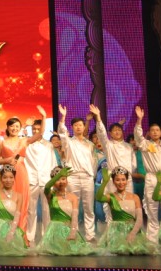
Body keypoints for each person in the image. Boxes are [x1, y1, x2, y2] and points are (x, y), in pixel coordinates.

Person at [0, 105, 47, 236]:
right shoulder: (2, 142)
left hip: (21, 174)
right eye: (12, 126)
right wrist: (7, 160)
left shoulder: (24, 140)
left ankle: (21, 234)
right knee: (7, 201)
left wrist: (44, 116)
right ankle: (5, 233)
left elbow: (40, 133)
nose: (14, 128)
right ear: (7, 127)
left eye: (17, 126)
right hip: (6, 174)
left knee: (22, 204)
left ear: (20, 128)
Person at [134, 105, 161, 242]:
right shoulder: (146, 145)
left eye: (157, 130)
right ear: (149, 133)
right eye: (152, 130)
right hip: (151, 178)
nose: (155, 132)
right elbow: (138, 137)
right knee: (152, 209)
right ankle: (152, 240)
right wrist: (139, 120)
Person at [57, 104, 96, 242]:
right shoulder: (68, 142)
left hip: (87, 177)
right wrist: (63, 117)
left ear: (84, 127)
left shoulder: (90, 144)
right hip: (73, 177)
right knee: (73, 207)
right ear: (72, 128)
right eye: (76, 125)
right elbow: (62, 133)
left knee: (89, 208)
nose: (79, 127)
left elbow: (93, 162)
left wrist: (92, 175)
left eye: (81, 125)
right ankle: (74, 234)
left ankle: (90, 235)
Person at [94, 166, 155, 255]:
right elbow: (98, 198)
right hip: (116, 232)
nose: (121, 182)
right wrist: (104, 183)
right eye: (117, 180)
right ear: (113, 181)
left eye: (123, 179)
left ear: (127, 181)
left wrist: (133, 233)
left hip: (133, 229)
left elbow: (139, 219)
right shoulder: (111, 196)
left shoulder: (135, 197)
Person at [37, 166, 96, 256]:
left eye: (63, 179)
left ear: (67, 181)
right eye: (58, 180)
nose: (61, 182)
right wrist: (59, 175)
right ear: (53, 182)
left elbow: (74, 216)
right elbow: (47, 186)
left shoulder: (73, 197)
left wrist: (73, 232)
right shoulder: (51, 195)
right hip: (54, 233)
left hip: (69, 230)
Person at [24, 116, 54, 244]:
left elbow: (53, 163)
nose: (36, 131)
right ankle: (29, 237)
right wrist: (25, 126)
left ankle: (46, 237)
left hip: (46, 180)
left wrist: (53, 181)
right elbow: (16, 142)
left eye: (38, 129)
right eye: (34, 129)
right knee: (31, 210)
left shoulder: (49, 145)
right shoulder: (27, 144)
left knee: (47, 210)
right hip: (31, 180)